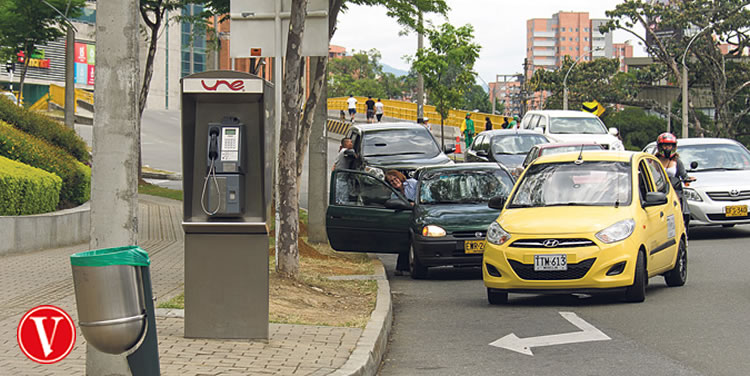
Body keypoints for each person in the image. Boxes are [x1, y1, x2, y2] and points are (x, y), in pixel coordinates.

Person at [654, 132, 695, 226]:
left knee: (685, 213)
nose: (667, 148)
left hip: (675, 191)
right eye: (665, 145)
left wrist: (688, 179)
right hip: (657, 191)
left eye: (670, 146)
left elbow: (683, 175)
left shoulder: (677, 161)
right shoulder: (654, 161)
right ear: (660, 147)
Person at [385, 170, 418, 275]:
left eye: (395, 179)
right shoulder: (394, 195)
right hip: (405, 219)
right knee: (405, 241)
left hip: (418, 214)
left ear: (400, 177)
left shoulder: (413, 183)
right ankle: (402, 268)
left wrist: (415, 204)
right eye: (391, 182)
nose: (394, 182)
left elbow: (424, 194)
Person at [333, 138, 358, 204]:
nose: (351, 144)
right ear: (346, 143)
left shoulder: (341, 152)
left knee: (339, 197)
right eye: (350, 142)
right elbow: (352, 153)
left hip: (341, 178)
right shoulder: (345, 151)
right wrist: (356, 157)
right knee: (343, 198)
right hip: (341, 179)